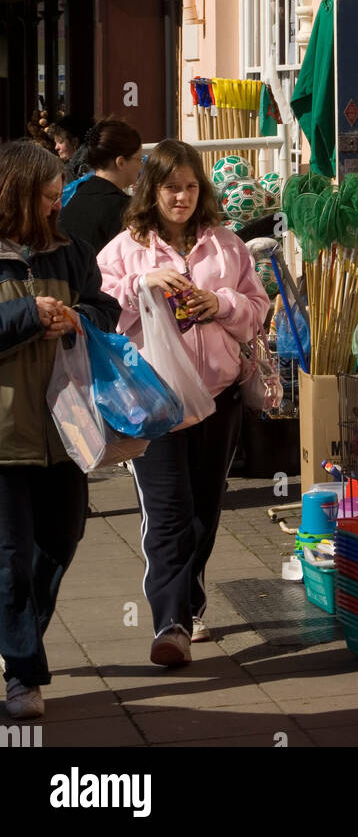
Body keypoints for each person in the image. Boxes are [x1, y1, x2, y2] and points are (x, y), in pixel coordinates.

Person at [98, 140, 269, 667]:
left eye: (191, 186)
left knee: (204, 512)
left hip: (218, 400)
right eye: (172, 186)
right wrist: (139, 283)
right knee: (168, 512)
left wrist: (221, 303)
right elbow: (100, 307)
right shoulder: (126, 247)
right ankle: (169, 623)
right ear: (153, 190)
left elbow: (258, 308)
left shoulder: (226, 245)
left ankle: (189, 603)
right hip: (154, 403)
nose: (182, 196)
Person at [0, 141, 120, 720]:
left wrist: (78, 318)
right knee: (10, 557)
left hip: (66, 428)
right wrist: (28, 316)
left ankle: (18, 637)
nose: (56, 207)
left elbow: (106, 308)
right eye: (48, 197)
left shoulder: (69, 250)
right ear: (17, 193)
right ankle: (23, 675)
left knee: (62, 539)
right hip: (4, 435)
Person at [60, 118, 143, 253]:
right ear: (121, 162)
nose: (141, 165)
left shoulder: (75, 196)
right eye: (138, 159)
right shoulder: (124, 208)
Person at [48, 115, 90, 184]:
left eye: (60, 142)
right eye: (55, 142)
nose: (56, 147)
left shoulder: (83, 167)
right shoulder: (71, 167)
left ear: (74, 142)